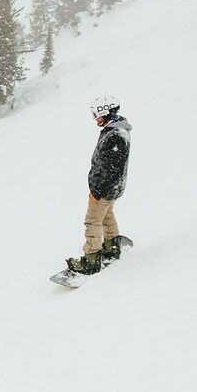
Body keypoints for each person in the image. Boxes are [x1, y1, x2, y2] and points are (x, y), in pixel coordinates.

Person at [66, 96, 132, 274]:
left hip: (105, 188)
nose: (94, 117)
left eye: (96, 114)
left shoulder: (116, 136)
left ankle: (91, 259)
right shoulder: (114, 130)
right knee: (106, 215)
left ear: (106, 111)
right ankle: (112, 246)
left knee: (92, 221)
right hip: (111, 187)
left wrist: (97, 190)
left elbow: (111, 169)